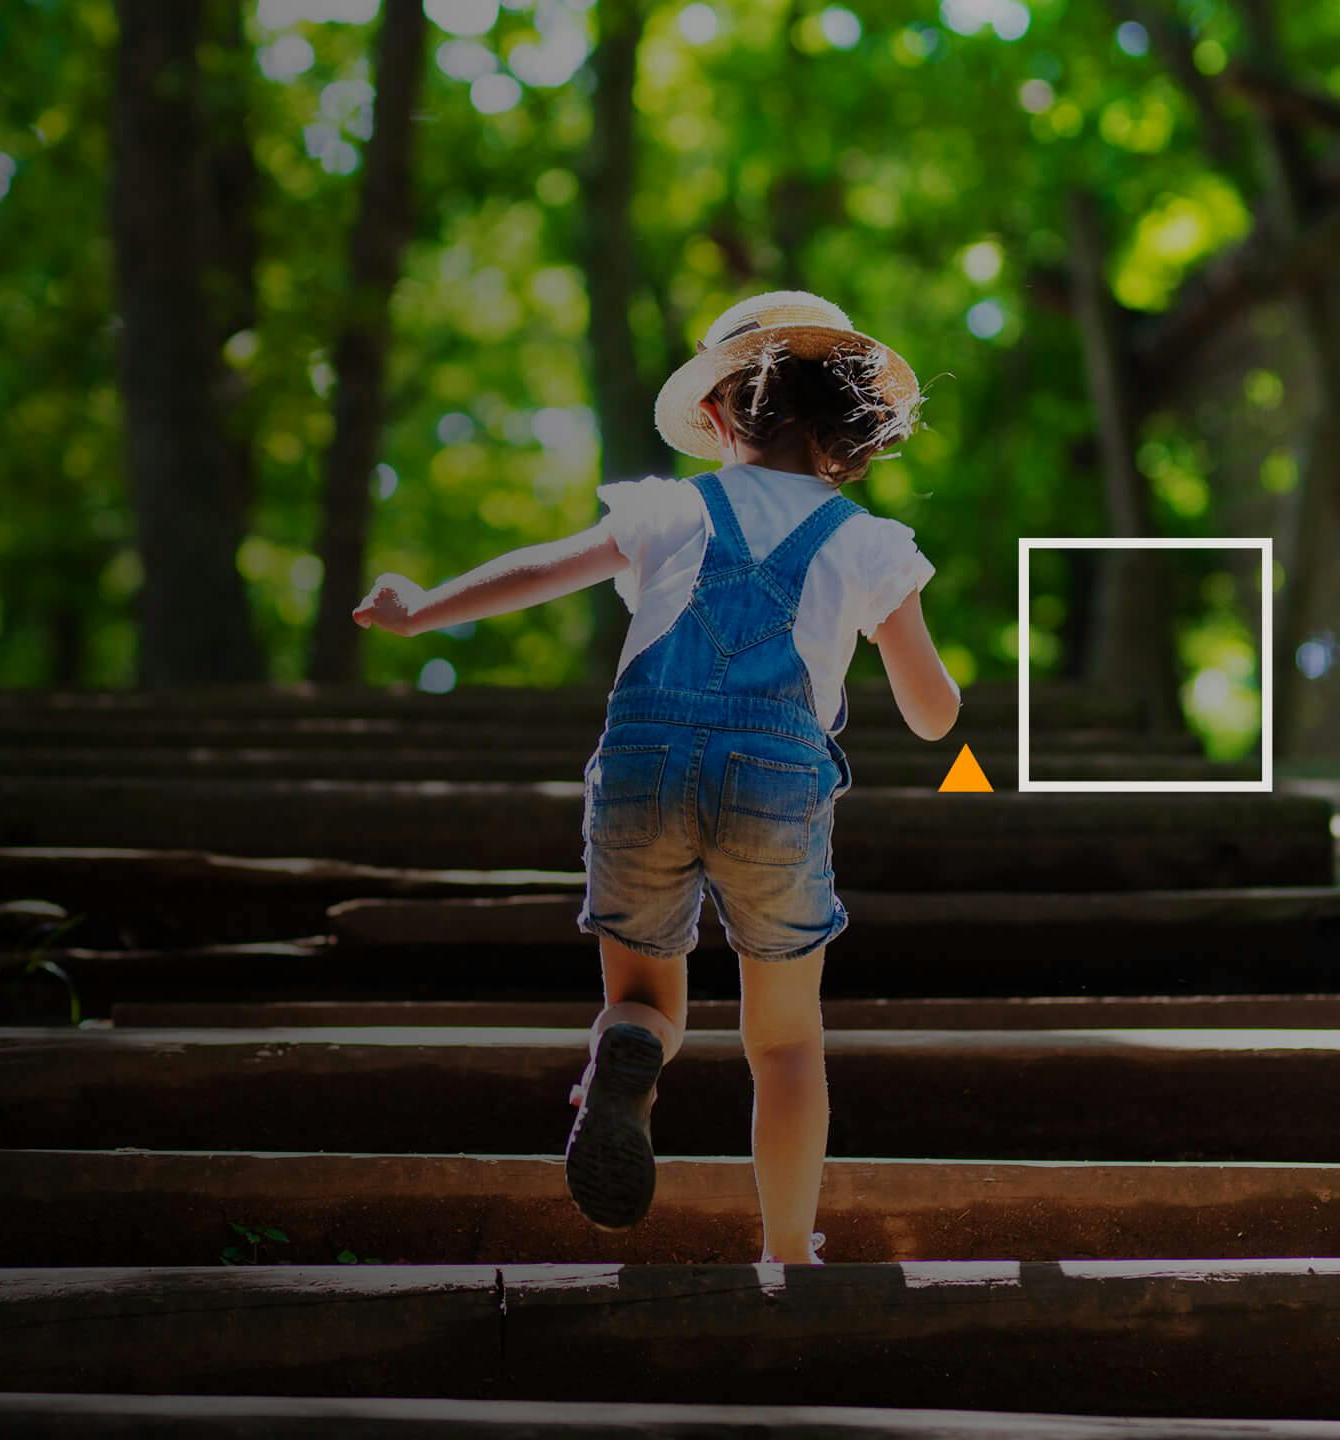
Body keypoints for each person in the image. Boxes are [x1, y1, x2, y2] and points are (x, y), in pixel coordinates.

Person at [352, 290, 960, 1265]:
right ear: (850, 430)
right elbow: (933, 715)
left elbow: (543, 567)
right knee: (785, 1041)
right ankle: (788, 1252)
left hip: (642, 766)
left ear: (717, 419)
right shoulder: (869, 544)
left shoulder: (668, 507)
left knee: (644, 996)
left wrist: (421, 610)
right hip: (775, 784)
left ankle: (629, 1049)